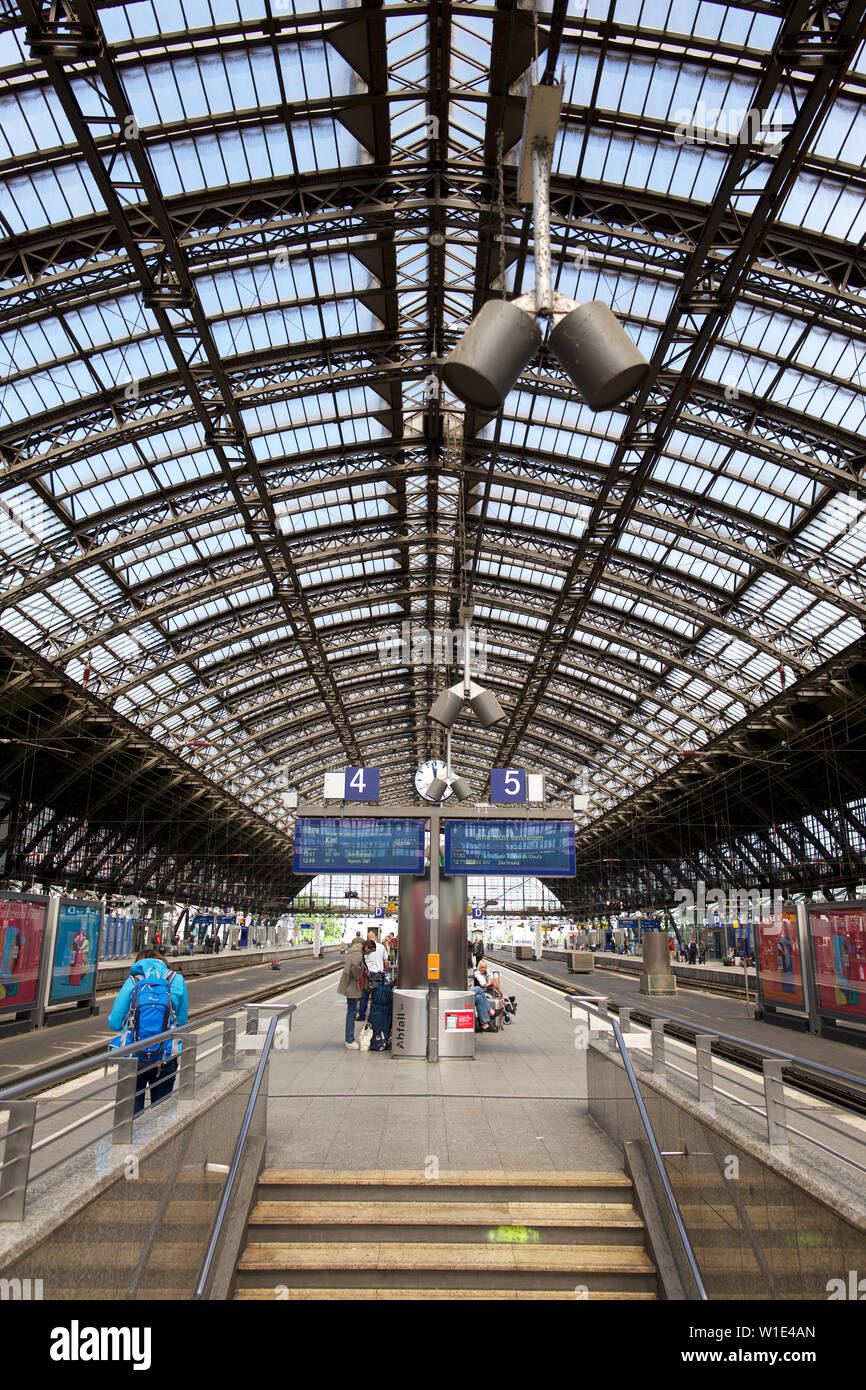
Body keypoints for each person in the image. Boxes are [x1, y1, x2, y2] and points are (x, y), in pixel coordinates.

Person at [108, 949, 189, 1115]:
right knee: (162, 1114)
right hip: (165, 1056)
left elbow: (114, 1023)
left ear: (139, 964)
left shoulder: (133, 981)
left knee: (131, 1117)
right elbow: (182, 1021)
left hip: (134, 1056)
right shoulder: (176, 980)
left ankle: (132, 1139)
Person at [338, 934, 366, 1049]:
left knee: (352, 1011)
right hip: (351, 986)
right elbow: (355, 966)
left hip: (350, 985)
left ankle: (349, 1039)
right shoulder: (358, 955)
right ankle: (349, 1040)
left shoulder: (354, 951)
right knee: (352, 1012)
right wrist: (359, 976)